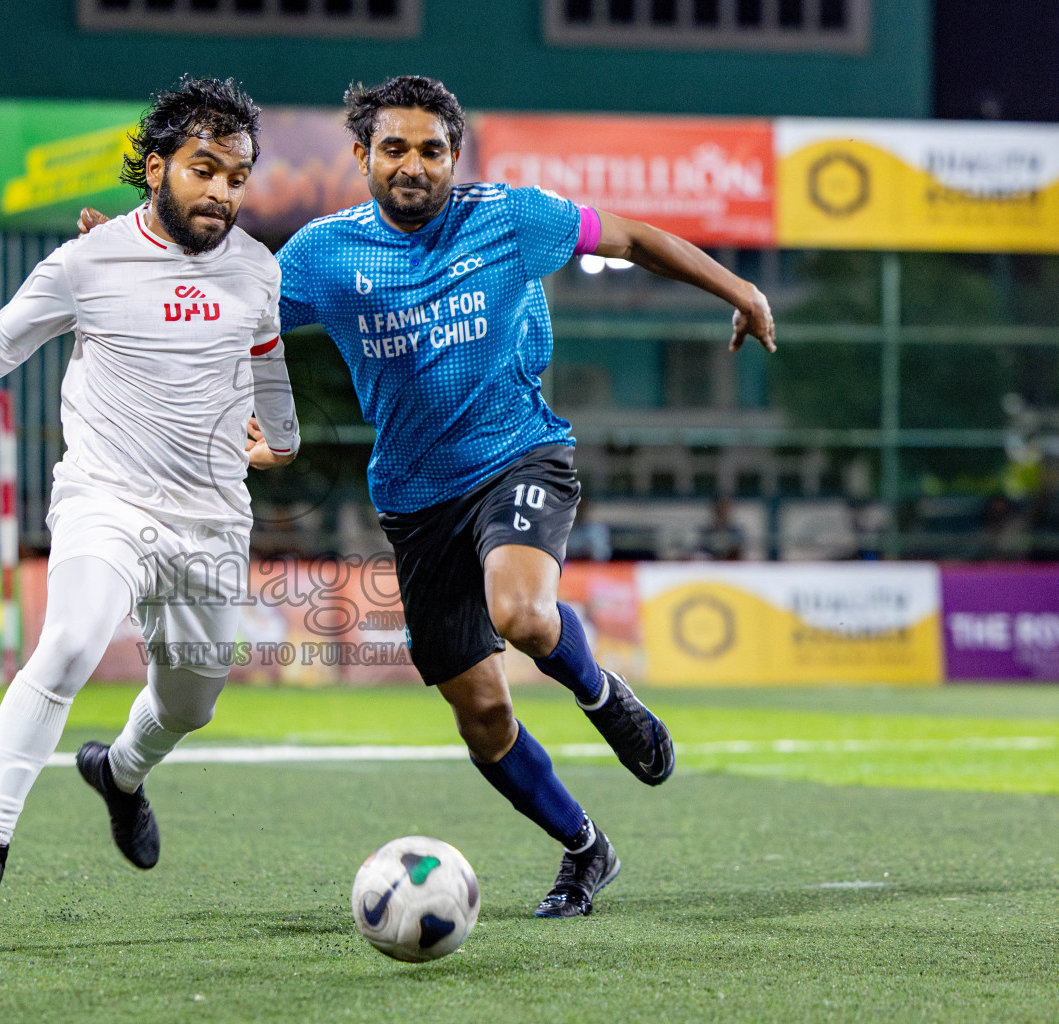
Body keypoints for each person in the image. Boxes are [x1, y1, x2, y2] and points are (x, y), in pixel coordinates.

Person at [87, 75, 776, 919]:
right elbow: (223, 306)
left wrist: (739, 289)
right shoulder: (320, 256)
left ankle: (604, 696)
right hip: (414, 503)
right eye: (394, 150)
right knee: (483, 717)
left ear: (457, 156)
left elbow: (631, 237)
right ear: (362, 157)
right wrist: (128, 262)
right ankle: (586, 849)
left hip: (518, 455)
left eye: (431, 150)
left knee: (522, 614)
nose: (413, 167)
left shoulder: (515, 219)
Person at [0, 77, 299, 915]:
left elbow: (268, 366)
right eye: (204, 170)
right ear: (157, 167)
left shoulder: (256, 269)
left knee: (191, 705)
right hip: (108, 500)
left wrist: (281, 436)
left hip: (211, 520)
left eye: (237, 177)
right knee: (66, 644)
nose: (222, 192)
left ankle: (119, 772)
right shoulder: (87, 261)